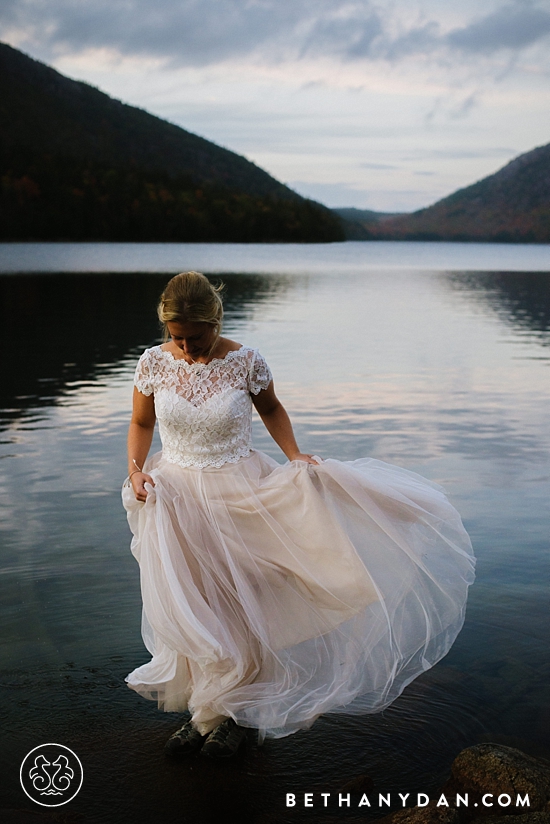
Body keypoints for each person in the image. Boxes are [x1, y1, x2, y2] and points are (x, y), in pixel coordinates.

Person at [122, 271, 475, 760]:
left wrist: (294, 456)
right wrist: (136, 471)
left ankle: (238, 715)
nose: (187, 347)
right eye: (176, 337)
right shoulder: (153, 364)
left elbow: (271, 410)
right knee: (194, 605)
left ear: (215, 322)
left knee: (246, 602)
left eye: (195, 336)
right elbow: (141, 423)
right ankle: (205, 712)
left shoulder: (246, 361)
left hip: (240, 491)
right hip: (176, 498)